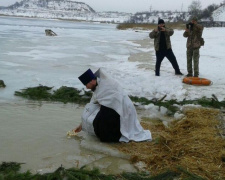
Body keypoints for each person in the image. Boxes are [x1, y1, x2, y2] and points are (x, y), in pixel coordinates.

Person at [74, 68, 152, 143]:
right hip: (112, 109)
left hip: (123, 111)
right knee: (98, 119)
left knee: (101, 119)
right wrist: (81, 125)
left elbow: (113, 104)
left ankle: (114, 136)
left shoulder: (107, 85)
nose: (86, 88)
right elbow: (92, 106)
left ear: (92, 81)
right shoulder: (98, 86)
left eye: (86, 85)